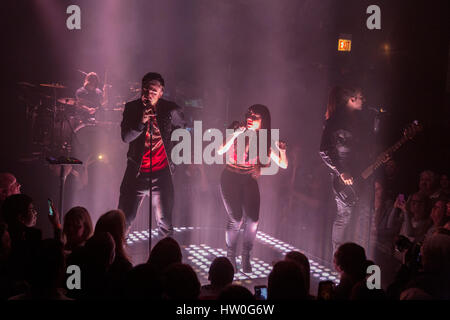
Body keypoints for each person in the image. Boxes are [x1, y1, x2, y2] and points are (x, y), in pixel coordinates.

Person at [217, 104, 288, 273]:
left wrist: (283, 151)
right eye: (249, 114)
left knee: (254, 220)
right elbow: (220, 150)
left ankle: (246, 254)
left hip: (247, 179)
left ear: (263, 121)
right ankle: (230, 255)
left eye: (255, 116)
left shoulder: (264, 139)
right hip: (230, 177)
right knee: (236, 218)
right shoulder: (236, 127)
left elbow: (283, 164)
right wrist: (235, 133)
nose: (250, 118)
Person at [118, 72, 185, 235]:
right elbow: (126, 137)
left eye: (153, 91)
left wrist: (175, 157)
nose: (149, 93)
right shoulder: (132, 108)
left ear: (161, 93)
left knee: (165, 221)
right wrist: (141, 122)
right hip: (136, 173)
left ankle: (166, 257)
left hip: (161, 174)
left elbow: (182, 129)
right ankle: (118, 254)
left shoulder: (171, 109)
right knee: (123, 220)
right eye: (146, 89)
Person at [319, 86, 375, 257]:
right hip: (345, 177)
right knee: (344, 215)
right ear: (351, 99)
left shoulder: (359, 120)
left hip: (361, 174)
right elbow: (324, 150)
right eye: (361, 97)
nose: (363, 100)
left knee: (361, 214)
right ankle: (338, 256)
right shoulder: (336, 121)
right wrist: (341, 171)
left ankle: (356, 256)